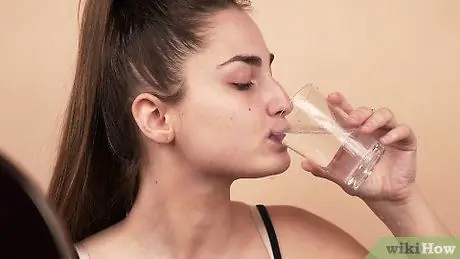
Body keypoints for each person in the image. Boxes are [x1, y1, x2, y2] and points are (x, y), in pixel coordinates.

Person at [47, 0, 451, 258]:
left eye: (271, 72)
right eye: (243, 82)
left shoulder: (297, 243)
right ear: (157, 118)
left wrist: (401, 203)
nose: (283, 100)